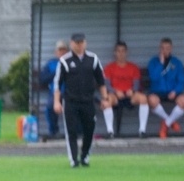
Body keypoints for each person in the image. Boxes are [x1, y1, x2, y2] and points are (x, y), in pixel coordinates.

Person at [52, 32, 104, 167]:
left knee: (89, 129)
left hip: (88, 100)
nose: (79, 45)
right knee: (71, 130)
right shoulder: (65, 60)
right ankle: (73, 159)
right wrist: (57, 101)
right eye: (76, 43)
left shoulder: (93, 59)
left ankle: (85, 156)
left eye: (81, 42)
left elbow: (101, 81)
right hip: (71, 101)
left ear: (85, 43)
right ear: (71, 43)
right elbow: (57, 83)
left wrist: (105, 98)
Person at [143, 38, 184, 138]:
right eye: (163, 48)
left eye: (167, 48)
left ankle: (166, 124)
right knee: (152, 100)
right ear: (160, 49)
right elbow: (153, 77)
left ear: (171, 48)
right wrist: (161, 63)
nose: (165, 50)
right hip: (157, 91)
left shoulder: (177, 62)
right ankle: (170, 121)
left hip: (173, 92)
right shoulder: (153, 62)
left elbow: (181, 80)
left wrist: (175, 91)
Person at [100, 41, 144, 138]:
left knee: (143, 98)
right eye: (118, 51)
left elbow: (136, 84)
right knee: (106, 101)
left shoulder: (133, 67)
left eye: (123, 51)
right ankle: (110, 132)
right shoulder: (109, 67)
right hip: (115, 96)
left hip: (130, 95)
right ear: (115, 53)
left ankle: (142, 131)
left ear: (126, 52)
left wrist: (132, 90)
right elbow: (106, 84)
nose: (121, 54)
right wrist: (115, 91)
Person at [39, 40, 68, 138]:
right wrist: (57, 72)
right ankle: (54, 131)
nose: (62, 53)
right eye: (60, 50)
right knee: (50, 106)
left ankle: (76, 132)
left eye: (64, 50)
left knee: (75, 107)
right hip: (55, 92)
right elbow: (42, 79)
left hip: (69, 93)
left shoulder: (72, 63)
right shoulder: (51, 64)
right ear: (56, 52)